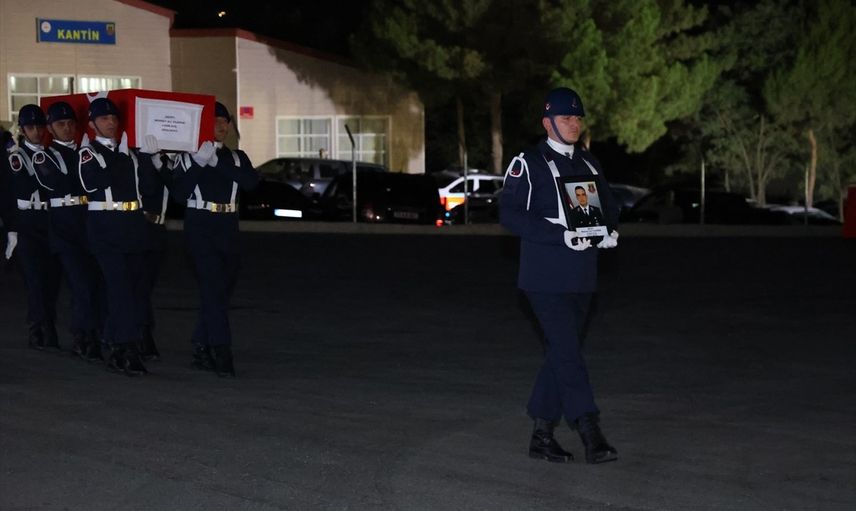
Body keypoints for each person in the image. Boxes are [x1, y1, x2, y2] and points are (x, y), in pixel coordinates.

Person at [499, 87, 620, 464]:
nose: (574, 124)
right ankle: (590, 430)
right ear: (547, 123)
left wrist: (607, 229)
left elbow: (609, 205)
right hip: (545, 278)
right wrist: (559, 233)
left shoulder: (589, 163)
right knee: (568, 353)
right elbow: (510, 214)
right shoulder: (529, 163)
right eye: (566, 118)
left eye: (577, 118)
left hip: (582, 276)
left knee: (560, 353)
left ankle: (542, 435)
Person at [171, 101, 259, 377]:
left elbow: (251, 183)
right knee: (212, 287)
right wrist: (199, 162)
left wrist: (217, 163)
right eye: (215, 121)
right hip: (200, 225)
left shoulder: (237, 157)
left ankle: (201, 343)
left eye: (225, 121)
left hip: (228, 226)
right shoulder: (188, 157)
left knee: (220, 292)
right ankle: (221, 350)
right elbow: (179, 194)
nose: (221, 126)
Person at [79, 97, 159, 376]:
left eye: (114, 118)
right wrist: (121, 156)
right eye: (104, 119)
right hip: (105, 227)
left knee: (134, 290)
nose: (111, 122)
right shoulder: (89, 152)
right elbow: (95, 183)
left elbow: (149, 189)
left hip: (132, 225)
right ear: (92, 124)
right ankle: (127, 349)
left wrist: (147, 158)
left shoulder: (129, 154)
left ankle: (115, 343)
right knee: (120, 289)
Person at [31, 101, 104, 361]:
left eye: (71, 123)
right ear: (50, 128)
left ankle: (93, 332)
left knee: (93, 283)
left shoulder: (85, 152)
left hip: (88, 222)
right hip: (64, 226)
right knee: (80, 284)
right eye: (60, 124)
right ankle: (84, 337)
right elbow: (57, 182)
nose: (67, 128)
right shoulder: (44, 156)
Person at [5, 105, 63, 350]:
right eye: (31, 128)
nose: (37, 132)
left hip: (50, 219)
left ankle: (46, 323)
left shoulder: (52, 154)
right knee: (35, 279)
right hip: (28, 220)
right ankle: (40, 328)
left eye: (40, 127)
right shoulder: (16, 157)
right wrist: (12, 230)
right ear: (22, 130)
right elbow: (11, 193)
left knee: (52, 279)